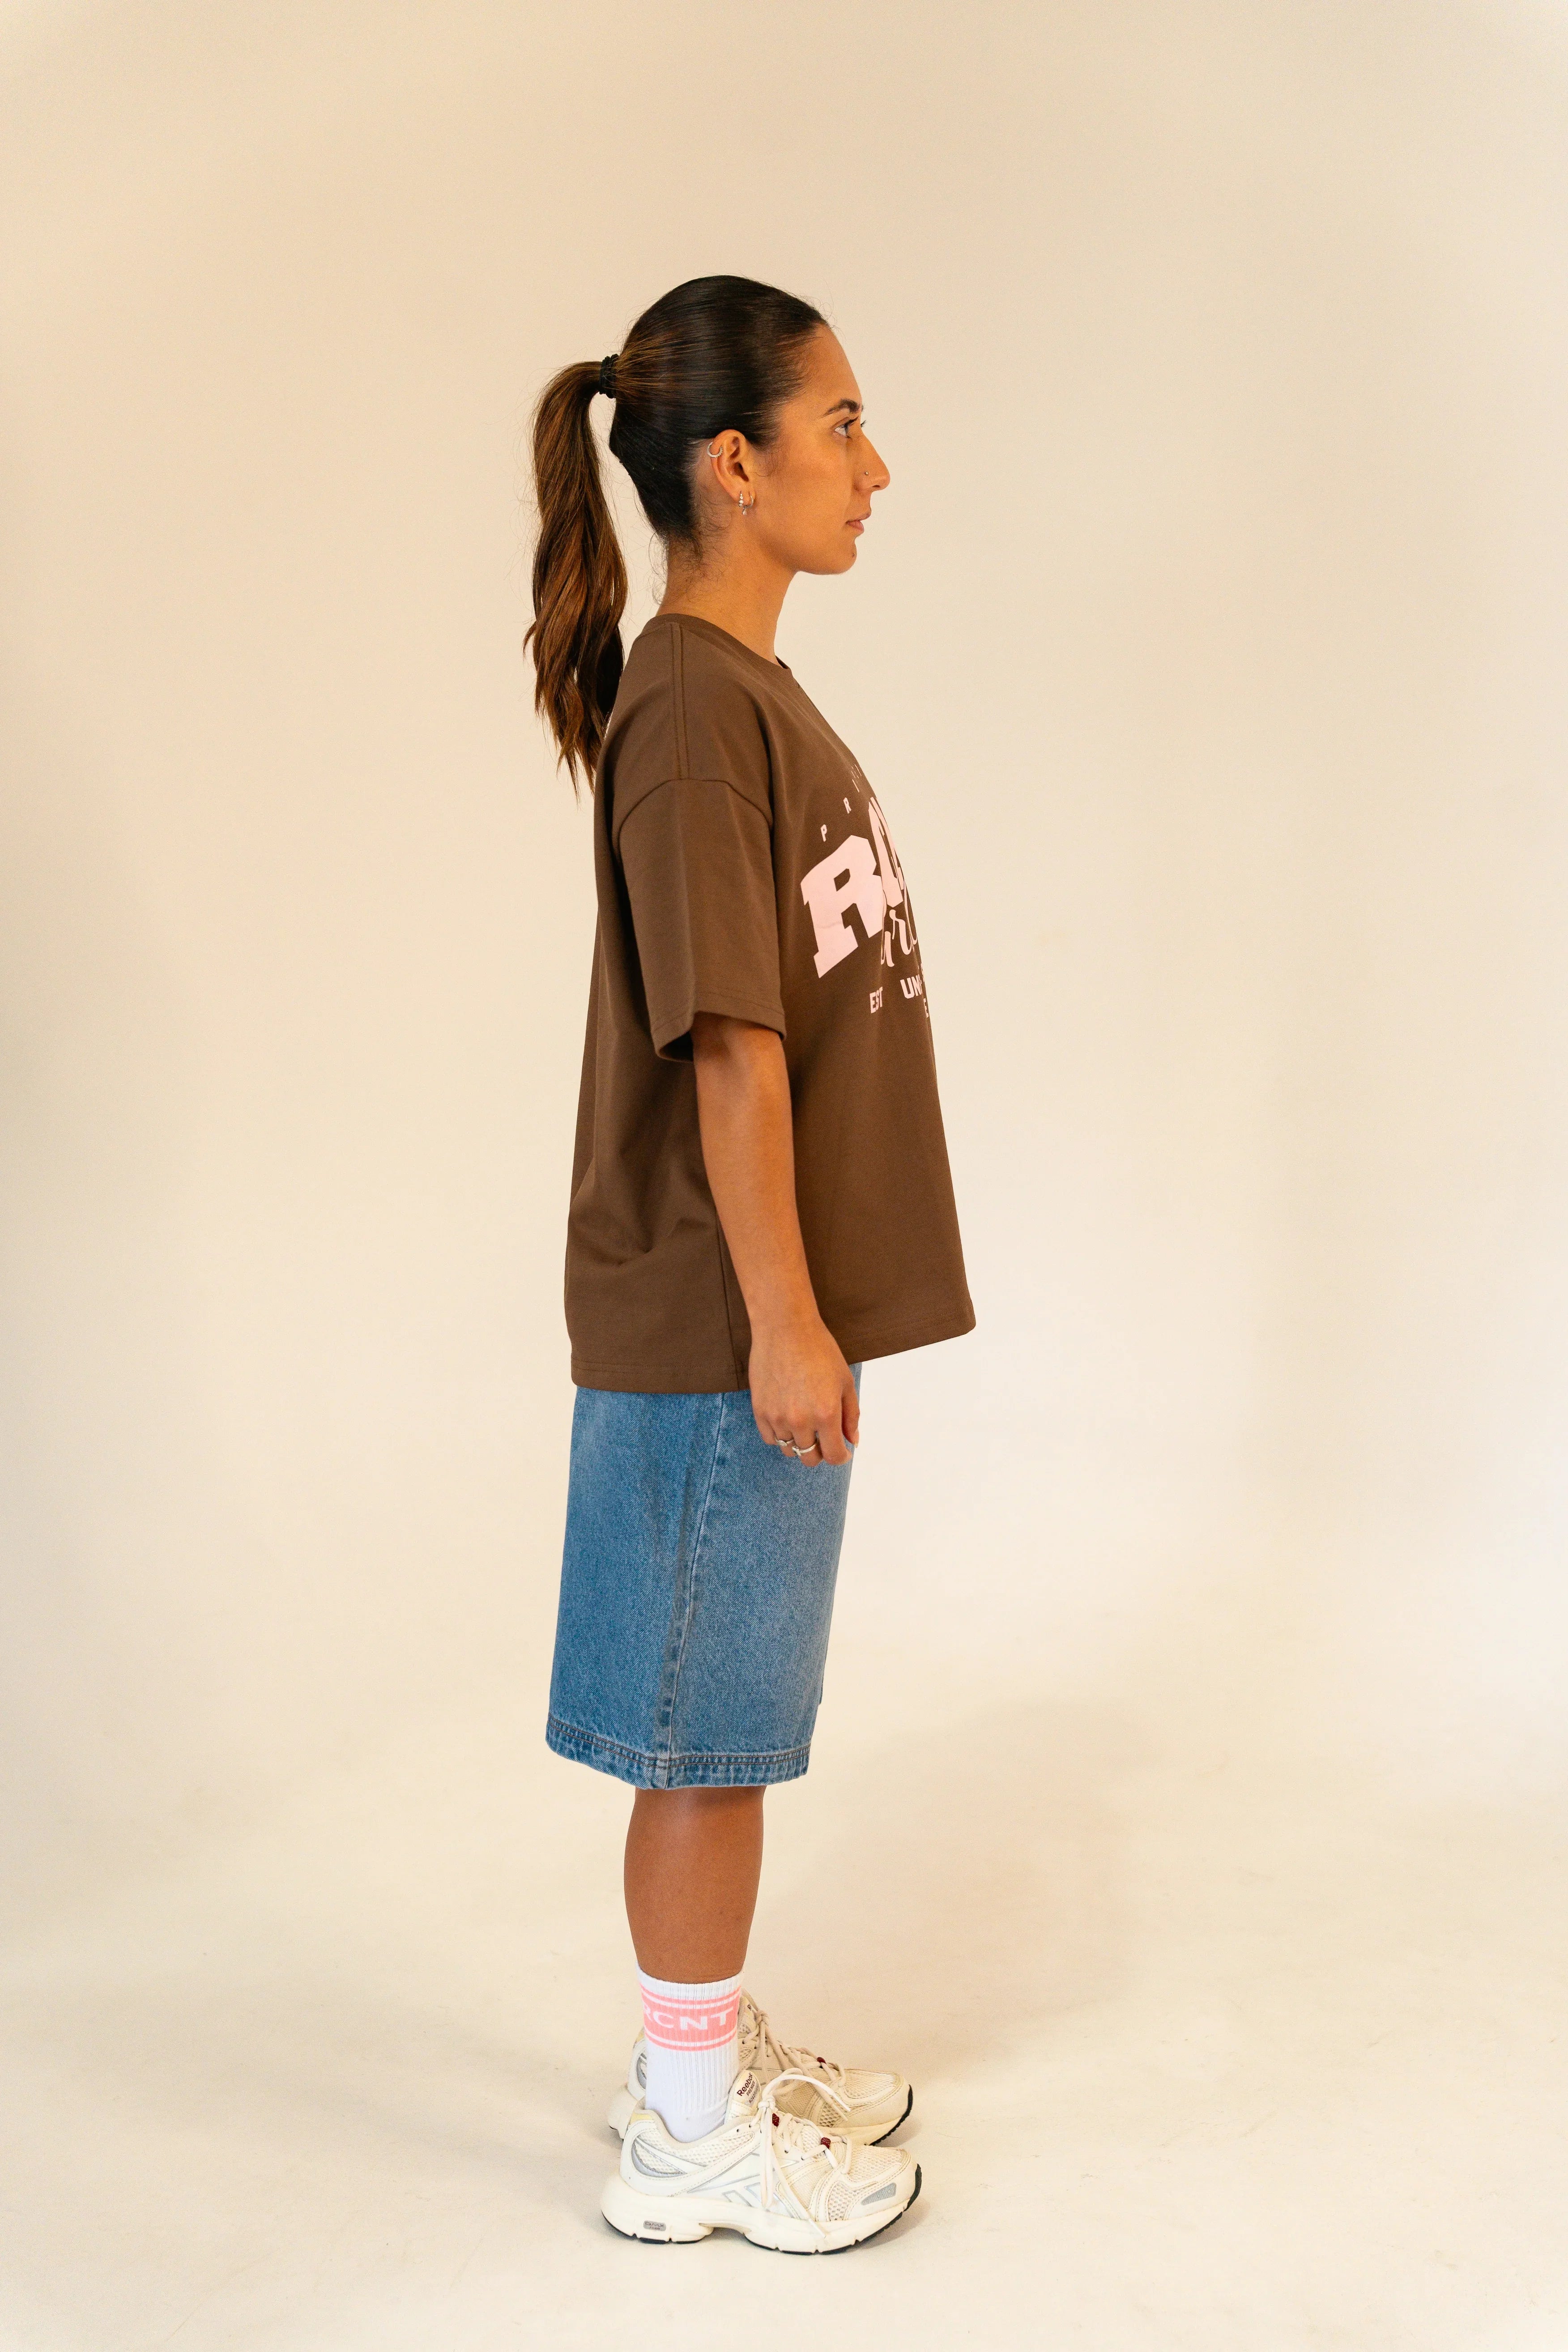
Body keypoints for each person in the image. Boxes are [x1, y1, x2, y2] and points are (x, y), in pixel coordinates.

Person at [525, 275, 974, 2254]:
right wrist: (786, 1317)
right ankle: (687, 2137)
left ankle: (695, 2066)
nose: (874, 468)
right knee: (707, 1734)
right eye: (845, 424)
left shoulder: (742, 697)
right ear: (738, 461)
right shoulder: (700, 711)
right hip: (723, 1318)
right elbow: (731, 1045)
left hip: (758, 1320)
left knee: (735, 1715)